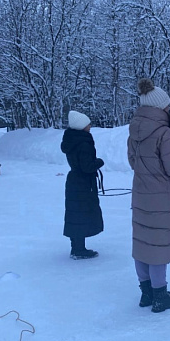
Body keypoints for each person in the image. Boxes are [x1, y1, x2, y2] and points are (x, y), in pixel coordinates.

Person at [128, 78, 170, 313]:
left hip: (141, 195)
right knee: (158, 245)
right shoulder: (164, 133)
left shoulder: (134, 130)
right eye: (167, 106)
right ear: (160, 107)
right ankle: (160, 295)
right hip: (162, 197)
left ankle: (146, 293)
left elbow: (132, 161)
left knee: (143, 243)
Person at [61, 111, 104, 260]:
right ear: (81, 126)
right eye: (88, 124)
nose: (90, 126)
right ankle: (79, 249)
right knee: (82, 214)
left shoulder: (71, 139)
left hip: (74, 181)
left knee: (75, 214)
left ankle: (76, 246)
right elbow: (87, 166)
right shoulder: (83, 142)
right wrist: (99, 162)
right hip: (83, 183)